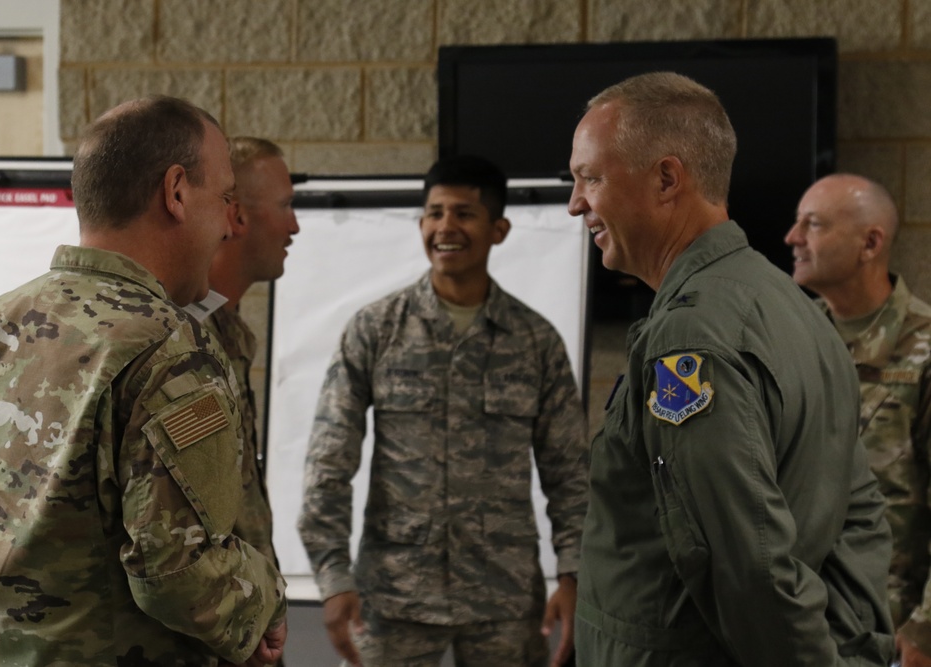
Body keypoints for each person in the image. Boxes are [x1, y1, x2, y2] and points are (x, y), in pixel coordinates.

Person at [0, 96, 287, 666]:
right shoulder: (166, 346)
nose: (228, 222)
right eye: (223, 198)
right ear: (175, 192)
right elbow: (176, 571)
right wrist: (264, 601)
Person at [568, 71, 894, 665]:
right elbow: (860, 518)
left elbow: (746, 561)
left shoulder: (690, 338)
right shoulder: (794, 306)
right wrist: (850, 652)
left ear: (667, 178)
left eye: (590, 178)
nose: (575, 204)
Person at [298, 154, 588, 667]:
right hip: (393, 600)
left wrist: (573, 573)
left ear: (499, 229)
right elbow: (329, 462)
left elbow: (570, 474)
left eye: (464, 213)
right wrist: (332, 576)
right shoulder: (376, 329)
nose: (445, 227)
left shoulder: (535, 341)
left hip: (504, 601)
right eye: (434, 213)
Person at [786, 173, 931, 665]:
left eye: (814, 224)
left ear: (870, 243)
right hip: (799, 625)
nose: (792, 238)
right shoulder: (790, 339)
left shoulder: (923, 350)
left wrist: (926, 632)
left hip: (890, 632)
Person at [204, 136, 300, 566]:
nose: (294, 226)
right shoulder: (185, 339)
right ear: (237, 216)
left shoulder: (225, 328)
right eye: (285, 206)